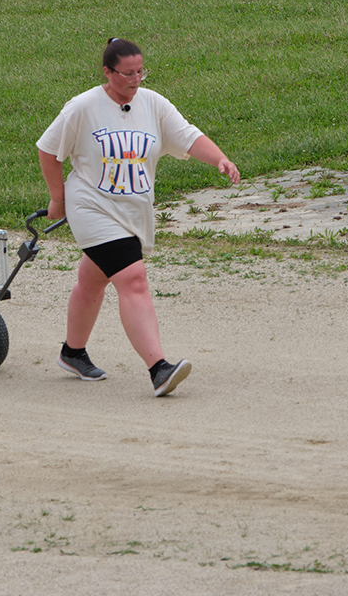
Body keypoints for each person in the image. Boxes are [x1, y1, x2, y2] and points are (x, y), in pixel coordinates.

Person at [37, 38, 240, 397]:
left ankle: (72, 352)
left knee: (92, 281)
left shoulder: (153, 104)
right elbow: (48, 150)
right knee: (133, 280)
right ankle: (159, 368)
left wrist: (220, 159)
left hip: (132, 211)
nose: (135, 80)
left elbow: (188, 137)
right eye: (127, 74)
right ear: (107, 72)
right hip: (92, 207)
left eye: (140, 72)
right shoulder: (83, 107)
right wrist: (59, 199)